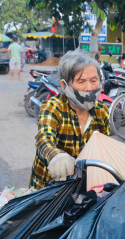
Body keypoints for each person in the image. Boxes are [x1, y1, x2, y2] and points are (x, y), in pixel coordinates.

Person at [29, 50, 110, 190]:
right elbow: (44, 139)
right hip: (48, 189)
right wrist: (56, 156)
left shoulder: (101, 111)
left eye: (94, 80)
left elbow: (104, 147)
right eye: (81, 81)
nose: (89, 88)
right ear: (64, 84)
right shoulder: (53, 107)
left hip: (84, 188)